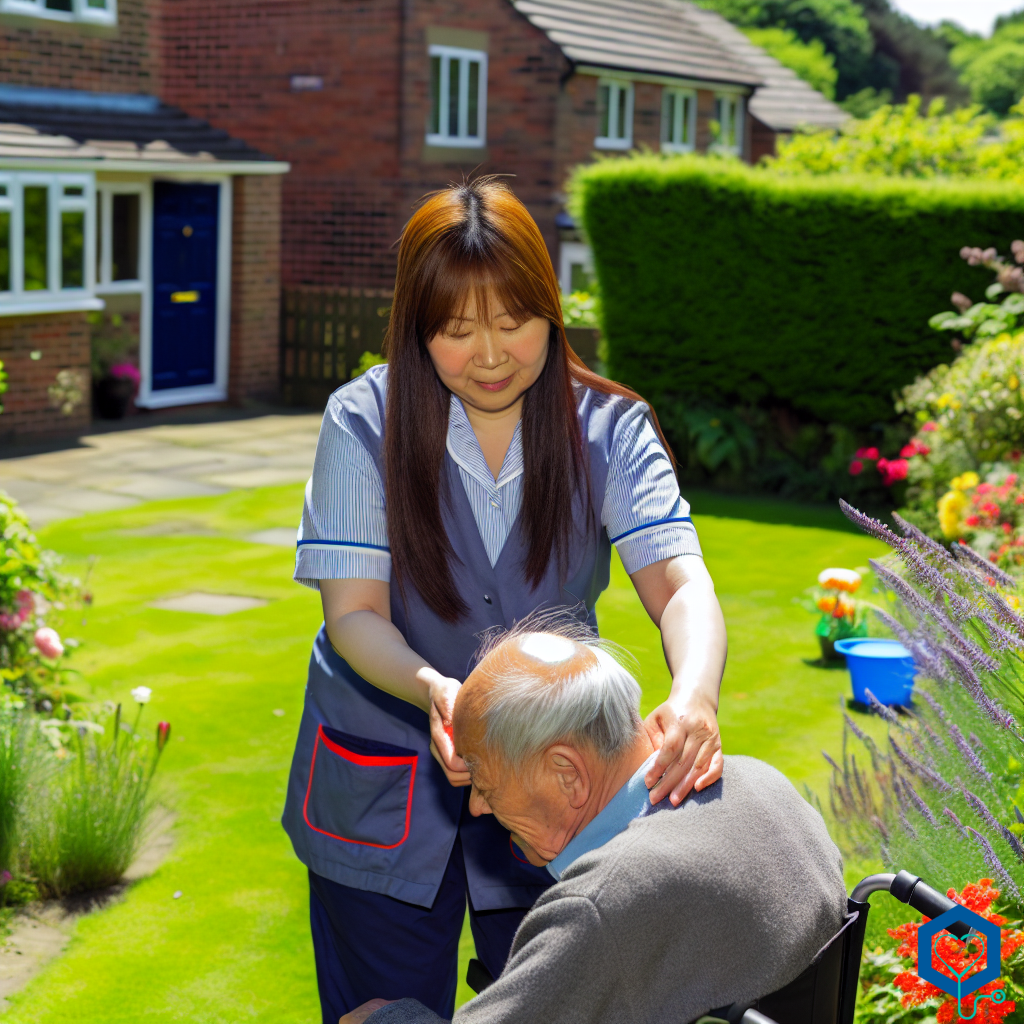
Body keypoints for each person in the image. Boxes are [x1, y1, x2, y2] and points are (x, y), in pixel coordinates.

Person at [281, 177, 730, 1024]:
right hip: (377, 783)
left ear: (551, 309)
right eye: (456, 331)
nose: (490, 355)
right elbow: (354, 617)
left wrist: (695, 693)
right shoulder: (360, 422)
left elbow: (679, 581)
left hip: (555, 793)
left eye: (513, 321)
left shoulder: (611, 426)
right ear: (418, 329)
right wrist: (437, 690)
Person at [344, 628, 848, 1024]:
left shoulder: (604, 904)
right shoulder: (762, 781)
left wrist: (386, 1018)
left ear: (568, 773)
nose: (476, 805)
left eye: (484, 778)